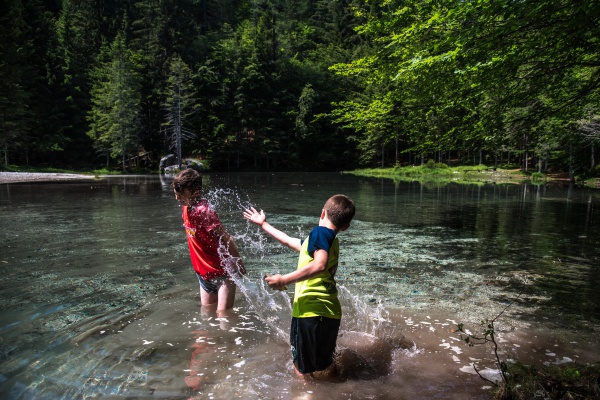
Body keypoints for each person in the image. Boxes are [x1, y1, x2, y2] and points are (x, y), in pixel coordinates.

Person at [243, 194, 355, 380]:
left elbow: (319, 265)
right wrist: (263, 224)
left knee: (301, 368)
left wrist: (284, 280)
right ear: (345, 227)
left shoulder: (319, 234)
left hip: (308, 312)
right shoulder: (331, 241)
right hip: (330, 312)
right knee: (326, 365)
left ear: (322, 213)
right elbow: (288, 240)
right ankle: (339, 390)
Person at [172, 168, 245, 311]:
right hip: (204, 274)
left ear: (195, 192)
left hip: (223, 273)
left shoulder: (204, 211)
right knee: (207, 315)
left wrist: (239, 263)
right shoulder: (186, 207)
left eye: (180, 194)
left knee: (223, 318)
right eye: (176, 193)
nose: (177, 198)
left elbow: (227, 238)